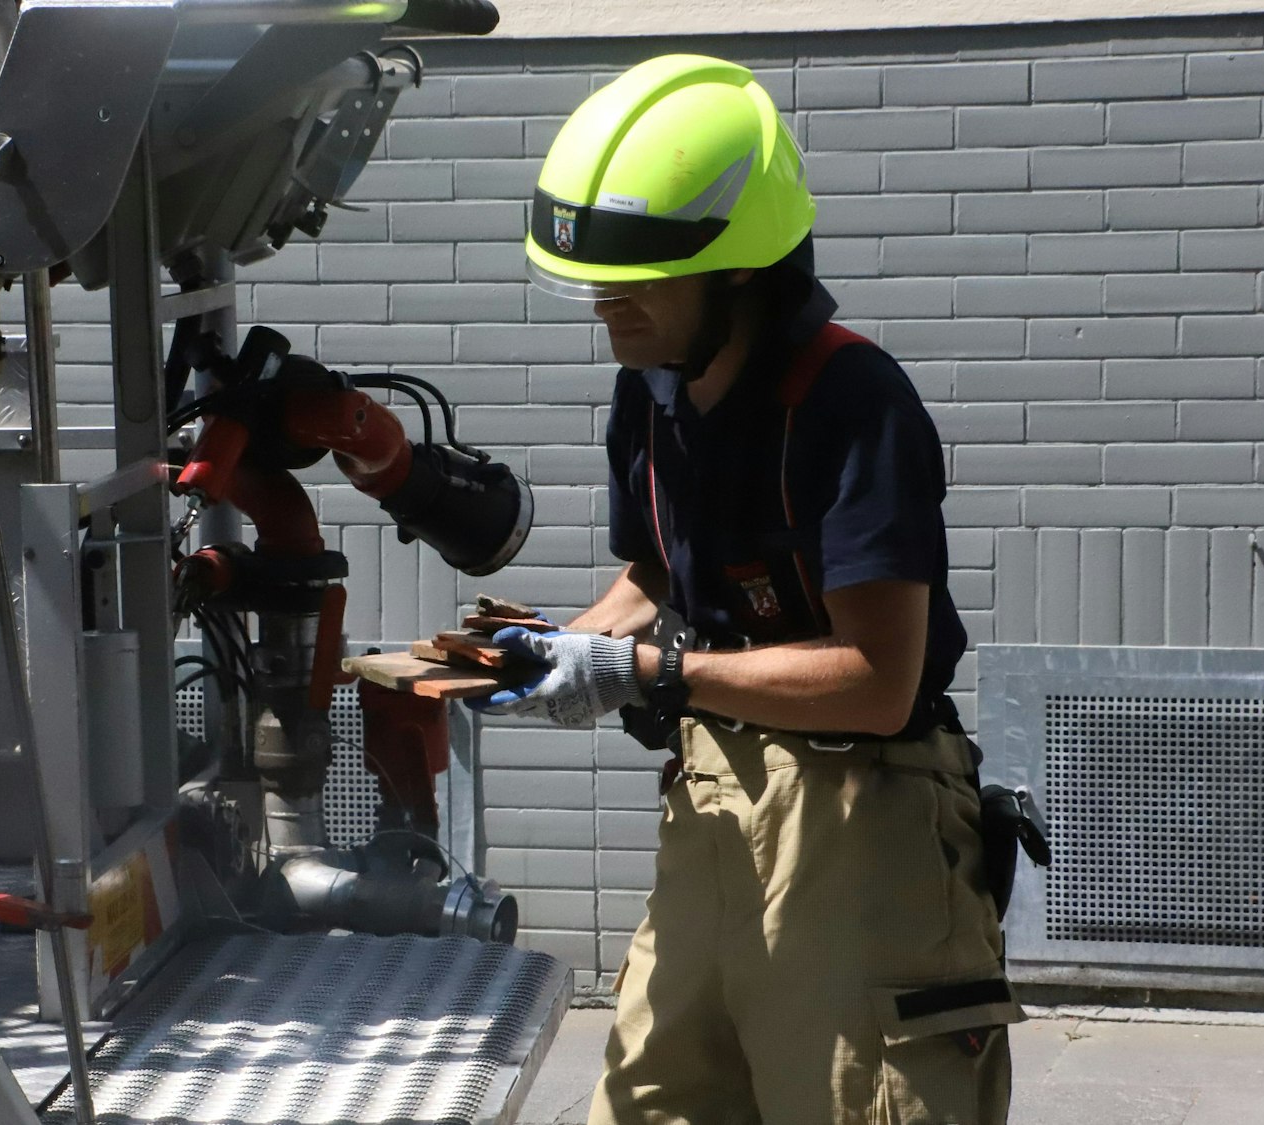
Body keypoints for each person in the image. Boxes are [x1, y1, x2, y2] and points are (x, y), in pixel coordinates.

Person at [474, 55, 1022, 1124]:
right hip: (710, 804)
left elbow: (874, 681)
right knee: (652, 1102)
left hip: (860, 819)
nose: (605, 303)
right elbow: (651, 573)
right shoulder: (651, 396)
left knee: (857, 1105)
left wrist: (649, 670)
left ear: (736, 272)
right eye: (595, 276)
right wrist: (565, 655)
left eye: (639, 278)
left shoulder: (852, 402)